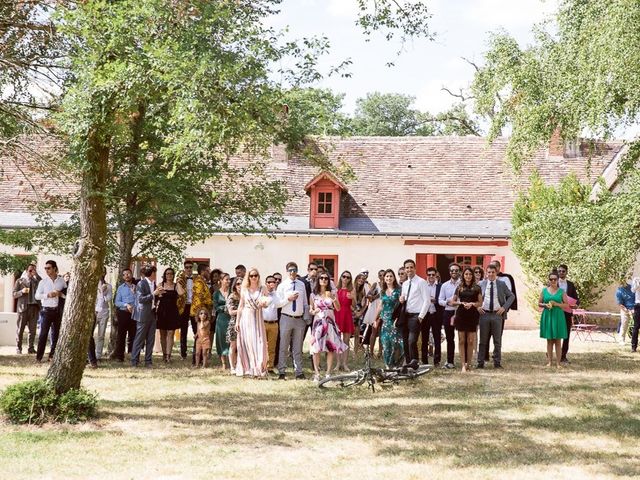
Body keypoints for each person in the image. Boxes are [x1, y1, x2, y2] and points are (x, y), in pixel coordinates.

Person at [309, 273, 346, 381]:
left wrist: (333, 299)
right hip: (318, 323)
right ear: (318, 280)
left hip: (329, 323)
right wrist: (314, 311)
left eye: (326, 278)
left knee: (330, 348)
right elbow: (311, 310)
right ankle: (317, 373)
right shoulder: (313, 295)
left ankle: (328, 373)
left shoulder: (333, 293)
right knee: (316, 348)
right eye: (322, 278)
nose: (324, 280)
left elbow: (338, 308)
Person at [477, 264, 515, 369]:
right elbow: (474, 296)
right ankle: (480, 362)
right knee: (483, 340)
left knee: (497, 340)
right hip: (484, 314)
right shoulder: (481, 284)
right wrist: (477, 307)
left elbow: (511, 296)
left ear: (496, 273)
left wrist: (504, 307)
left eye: (493, 272)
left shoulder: (501, 284)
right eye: (489, 272)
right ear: (486, 273)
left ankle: (497, 362)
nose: (491, 274)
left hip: (497, 315)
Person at [275, 261, 309, 380]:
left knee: (297, 347)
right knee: (283, 346)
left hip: (299, 319)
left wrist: (306, 316)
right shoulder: (282, 286)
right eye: (290, 270)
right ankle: (282, 371)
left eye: (294, 270)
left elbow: (305, 302)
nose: (292, 272)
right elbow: (277, 303)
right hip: (286, 318)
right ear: (287, 271)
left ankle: (299, 371)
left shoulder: (301, 285)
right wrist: (288, 299)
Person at [235, 268, 268, 378]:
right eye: (251, 275)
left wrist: (264, 304)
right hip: (246, 318)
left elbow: (267, 302)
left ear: (258, 276)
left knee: (260, 343)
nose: (254, 277)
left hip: (258, 318)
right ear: (248, 277)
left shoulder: (262, 288)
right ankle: (250, 369)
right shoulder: (244, 289)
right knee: (249, 343)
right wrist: (237, 322)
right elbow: (240, 306)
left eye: (256, 275)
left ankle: (260, 368)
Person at [399, 259, 430, 367]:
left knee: (412, 341)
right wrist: (401, 299)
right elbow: (404, 298)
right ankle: (408, 363)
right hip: (405, 315)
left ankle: (415, 362)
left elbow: (427, 300)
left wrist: (421, 316)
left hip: (416, 316)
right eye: (407, 268)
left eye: (411, 267)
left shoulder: (421, 282)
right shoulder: (405, 284)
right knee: (405, 341)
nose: (409, 269)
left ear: (415, 268)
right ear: (405, 269)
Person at [451, 267, 483, 372]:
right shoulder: (459, 287)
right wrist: (461, 303)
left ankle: (468, 364)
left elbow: (480, 303)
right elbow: (452, 301)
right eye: (466, 274)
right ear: (463, 276)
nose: (468, 276)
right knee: (461, 340)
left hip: (472, 315)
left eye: (470, 274)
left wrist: (472, 304)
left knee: (470, 341)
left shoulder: (477, 288)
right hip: (461, 314)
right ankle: (463, 365)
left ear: (472, 275)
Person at [34, 260, 66, 363]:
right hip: (46, 311)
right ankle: (39, 357)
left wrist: (59, 293)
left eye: (49, 268)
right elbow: (37, 296)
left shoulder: (61, 281)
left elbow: (67, 294)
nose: (47, 270)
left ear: (54, 268)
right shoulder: (43, 282)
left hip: (57, 311)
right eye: (45, 268)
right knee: (43, 334)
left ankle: (52, 356)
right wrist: (47, 295)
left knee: (56, 334)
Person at [539, 271, 570, 368]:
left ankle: (558, 363)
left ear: (557, 280)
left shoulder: (562, 292)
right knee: (549, 340)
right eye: (551, 279)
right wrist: (545, 305)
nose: (553, 281)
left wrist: (556, 304)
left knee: (557, 340)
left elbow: (566, 305)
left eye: (555, 279)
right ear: (549, 280)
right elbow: (539, 303)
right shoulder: (544, 291)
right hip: (548, 316)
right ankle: (549, 362)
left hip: (558, 316)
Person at [131, 265, 158, 367]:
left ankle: (148, 361)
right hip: (142, 314)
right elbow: (140, 299)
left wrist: (158, 295)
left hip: (152, 313)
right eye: (154, 272)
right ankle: (134, 361)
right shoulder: (141, 283)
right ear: (151, 273)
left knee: (151, 339)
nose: (155, 274)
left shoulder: (154, 284)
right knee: (139, 338)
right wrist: (153, 294)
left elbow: (153, 298)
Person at [155, 267, 184, 363]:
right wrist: (159, 292)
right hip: (162, 311)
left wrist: (178, 283)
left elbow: (181, 293)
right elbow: (156, 295)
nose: (169, 275)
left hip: (172, 311)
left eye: (171, 273)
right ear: (165, 275)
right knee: (163, 334)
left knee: (171, 333)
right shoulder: (161, 284)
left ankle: (168, 355)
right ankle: (164, 354)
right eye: (167, 273)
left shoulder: (176, 285)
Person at [376, 269, 404, 367]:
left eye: (391, 276)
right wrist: (375, 319)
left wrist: (402, 301)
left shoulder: (399, 290)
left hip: (395, 321)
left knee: (398, 344)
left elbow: (402, 305)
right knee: (386, 344)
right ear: (384, 278)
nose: (389, 278)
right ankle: (389, 366)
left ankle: (398, 365)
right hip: (385, 322)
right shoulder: (383, 291)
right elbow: (380, 306)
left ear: (394, 278)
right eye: (387, 276)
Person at [13, 263, 41, 354]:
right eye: (30, 270)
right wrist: (21, 291)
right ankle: (18, 348)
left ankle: (31, 348)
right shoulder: (20, 281)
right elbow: (14, 294)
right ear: (26, 271)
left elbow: (42, 282)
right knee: (20, 329)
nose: (31, 272)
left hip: (34, 308)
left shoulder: (37, 281)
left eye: (33, 270)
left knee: (32, 330)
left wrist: (36, 275)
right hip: (23, 308)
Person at [438, 262, 461, 369]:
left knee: (463, 338)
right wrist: (448, 302)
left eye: (456, 270)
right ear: (449, 272)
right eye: (452, 270)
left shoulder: (463, 284)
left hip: (461, 312)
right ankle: (450, 361)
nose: (454, 272)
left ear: (459, 271)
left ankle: (464, 361)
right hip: (448, 312)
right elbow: (440, 300)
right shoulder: (444, 285)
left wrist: (457, 302)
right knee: (450, 338)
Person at [190, 264, 212, 364]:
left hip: (203, 313)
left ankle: (202, 360)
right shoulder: (199, 282)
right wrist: (210, 303)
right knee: (198, 336)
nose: (209, 273)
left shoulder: (203, 281)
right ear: (203, 272)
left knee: (203, 335)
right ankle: (196, 360)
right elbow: (199, 298)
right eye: (208, 271)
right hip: (198, 313)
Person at [113, 268, 137, 362]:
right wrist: (126, 305)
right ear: (123, 277)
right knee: (121, 335)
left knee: (133, 335)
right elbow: (117, 302)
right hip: (123, 313)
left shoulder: (136, 286)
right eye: (125, 274)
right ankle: (120, 356)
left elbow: (139, 300)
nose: (127, 275)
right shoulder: (120, 288)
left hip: (134, 313)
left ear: (131, 275)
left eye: (128, 273)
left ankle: (132, 355)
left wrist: (134, 293)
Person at [334, 270, 356, 371]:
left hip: (347, 315)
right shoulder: (336, 289)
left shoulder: (352, 290)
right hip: (337, 314)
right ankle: (338, 363)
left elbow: (354, 306)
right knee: (337, 340)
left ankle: (345, 363)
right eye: (344, 276)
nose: (345, 279)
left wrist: (353, 298)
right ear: (341, 278)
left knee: (346, 340)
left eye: (348, 277)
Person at [557, 264, 579, 363]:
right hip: (556, 312)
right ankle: (551, 353)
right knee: (554, 333)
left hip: (567, 312)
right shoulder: (553, 283)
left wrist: (576, 304)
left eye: (563, 271)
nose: (561, 273)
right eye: (559, 271)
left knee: (566, 334)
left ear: (566, 272)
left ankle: (563, 355)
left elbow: (576, 298)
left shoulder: (570, 284)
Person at [421, 266, 443, 365]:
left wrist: (435, 301)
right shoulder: (423, 285)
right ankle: (424, 360)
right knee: (424, 338)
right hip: (425, 315)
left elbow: (443, 300)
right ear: (427, 275)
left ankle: (437, 360)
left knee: (437, 338)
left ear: (436, 275)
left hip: (436, 315)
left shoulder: (440, 286)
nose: (431, 276)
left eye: (433, 275)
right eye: (429, 274)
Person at [362, 270, 384, 355]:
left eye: (383, 275)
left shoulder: (388, 285)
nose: (382, 276)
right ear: (378, 276)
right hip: (375, 308)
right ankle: (371, 352)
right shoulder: (375, 284)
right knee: (374, 331)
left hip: (385, 309)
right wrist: (376, 296)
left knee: (382, 332)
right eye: (380, 275)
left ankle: (380, 352)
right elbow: (369, 296)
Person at [93, 267, 113, 360]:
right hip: (94, 312)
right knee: (90, 334)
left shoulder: (108, 286)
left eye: (103, 272)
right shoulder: (92, 285)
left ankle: (98, 355)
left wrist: (103, 292)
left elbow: (109, 298)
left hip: (104, 312)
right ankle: (89, 354)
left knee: (101, 335)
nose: (102, 273)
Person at [213, 273, 231, 369]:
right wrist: (226, 308)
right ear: (221, 280)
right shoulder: (216, 293)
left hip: (232, 318)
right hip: (221, 318)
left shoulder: (232, 292)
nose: (228, 281)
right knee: (221, 339)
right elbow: (216, 306)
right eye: (226, 279)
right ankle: (223, 363)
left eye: (229, 279)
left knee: (231, 340)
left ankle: (232, 361)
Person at [262, 275, 280, 373]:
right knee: (263, 346)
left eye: (273, 282)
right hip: (263, 323)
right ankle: (262, 365)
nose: (271, 284)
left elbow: (281, 303)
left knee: (272, 347)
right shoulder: (262, 294)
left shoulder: (277, 294)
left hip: (274, 324)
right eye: (269, 282)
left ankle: (270, 366)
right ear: (266, 283)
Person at [226, 278, 242, 372]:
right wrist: (242, 310)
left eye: (241, 283)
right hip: (234, 323)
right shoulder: (232, 296)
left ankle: (241, 365)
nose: (240, 285)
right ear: (235, 286)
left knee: (242, 346)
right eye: (238, 284)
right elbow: (231, 312)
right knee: (233, 346)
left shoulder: (246, 296)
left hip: (245, 323)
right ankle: (232, 367)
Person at [616, 278, 635, 346]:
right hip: (625, 309)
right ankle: (621, 340)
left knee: (636, 325)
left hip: (634, 308)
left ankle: (634, 340)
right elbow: (620, 303)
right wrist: (627, 310)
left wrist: (634, 309)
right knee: (624, 324)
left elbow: (636, 298)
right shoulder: (619, 291)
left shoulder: (631, 288)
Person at [352, 273, 368, 355]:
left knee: (357, 334)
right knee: (346, 334)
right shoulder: (352, 289)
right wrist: (355, 312)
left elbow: (366, 304)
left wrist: (361, 312)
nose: (361, 280)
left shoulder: (363, 290)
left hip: (359, 313)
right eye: (359, 278)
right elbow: (350, 304)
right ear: (356, 279)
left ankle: (355, 353)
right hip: (352, 312)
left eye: (363, 279)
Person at [631, 276, 640, 353]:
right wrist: (637, 283)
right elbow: (633, 290)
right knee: (636, 327)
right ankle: (634, 346)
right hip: (638, 304)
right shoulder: (636, 279)